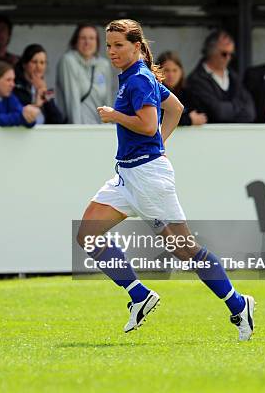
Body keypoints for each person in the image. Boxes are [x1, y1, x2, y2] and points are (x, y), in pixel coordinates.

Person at [77, 19, 255, 341]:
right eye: (109, 45)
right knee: (88, 234)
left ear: (136, 45)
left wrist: (115, 116)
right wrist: (161, 143)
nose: (112, 51)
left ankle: (240, 305)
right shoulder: (135, 76)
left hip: (147, 178)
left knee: (186, 250)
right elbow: (175, 107)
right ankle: (139, 295)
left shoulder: (139, 78)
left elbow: (147, 125)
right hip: (128, 175)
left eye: (118, 45)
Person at [186, 30, 255, 123]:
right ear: (210, 52)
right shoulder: (196, 79)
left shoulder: (234, 77)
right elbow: (217, 113)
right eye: (224, 54)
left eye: (231, 54)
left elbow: (251, 113)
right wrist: (238, 107)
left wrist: (227, 108)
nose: (228, 58)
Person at [56, 24, 115, 124]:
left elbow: (108, 100)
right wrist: (78, 132)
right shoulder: (68, 61)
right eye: (83, 38)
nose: (87, 42)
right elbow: (72, 100)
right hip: (78, 130)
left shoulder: (103, 65)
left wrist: (108, 129)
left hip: (99, 130)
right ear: (76, 41)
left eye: (92, 38)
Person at [14, 44, 65, 124]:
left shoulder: (47, 90)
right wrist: (36, 104)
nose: (38, 67)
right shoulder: (16, 87)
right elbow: (21, 115)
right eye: (34, 62)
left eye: (42, 63)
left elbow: (58, 120)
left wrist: (45, 93)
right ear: (24, 64)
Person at [156, 51, 207, 126]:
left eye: (175, 70)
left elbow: (201, 117)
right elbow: (158, 118)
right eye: (166, 70)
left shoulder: (189, 93)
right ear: (157, 72)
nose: (171, 75)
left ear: (181, 72)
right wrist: (188, 120)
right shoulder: (154, 93)